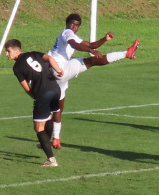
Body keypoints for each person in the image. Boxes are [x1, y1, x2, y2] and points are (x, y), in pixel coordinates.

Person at [46, 13, 139, 149]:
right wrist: (91, 51)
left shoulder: (72, 34)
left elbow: (90, 44)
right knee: (91, 60)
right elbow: (75, 45)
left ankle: (56, 138)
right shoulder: (66, 33)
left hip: (56, 75)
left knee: (59, 107)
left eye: (77, 25)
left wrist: (104, 39)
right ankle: (126, 53)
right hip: (59, 68)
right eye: (72, 23)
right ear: (67, 23)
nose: (74, 27)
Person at [5, 39, 65, 167]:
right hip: (55, 89)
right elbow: (49, 58)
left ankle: (51, 160)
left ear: (17, 50)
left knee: (38, 127)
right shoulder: (34, 53)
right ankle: (45, 143)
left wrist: (35, 96)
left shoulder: (17, 67)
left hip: (43, 94)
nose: (6, 54)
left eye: (8, 51)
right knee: (48, 117)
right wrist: (58, 70)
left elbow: (26, 87)